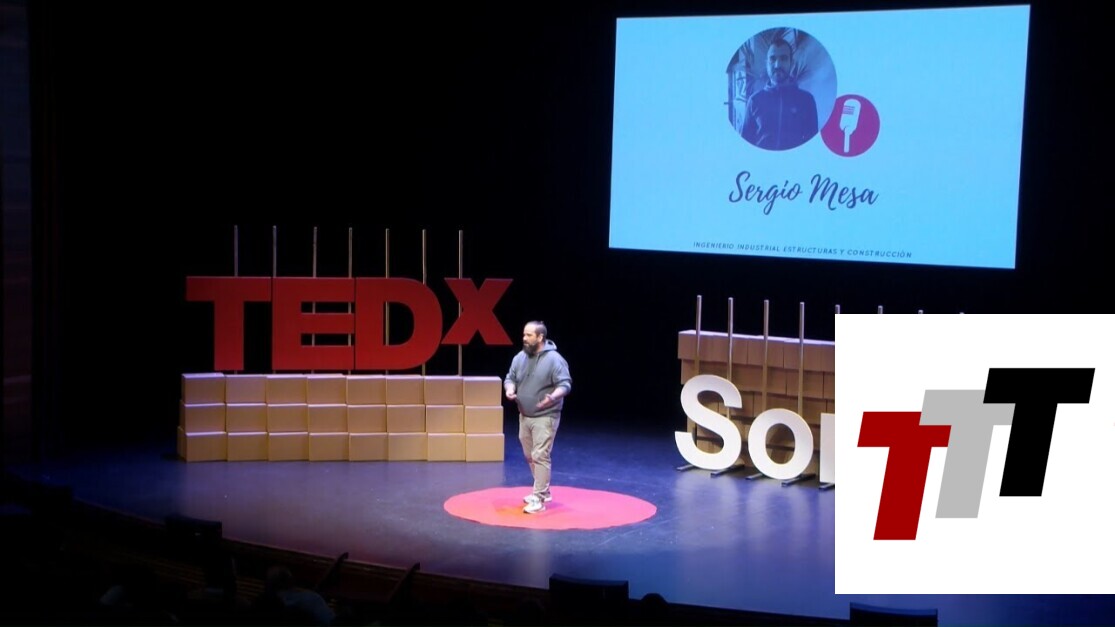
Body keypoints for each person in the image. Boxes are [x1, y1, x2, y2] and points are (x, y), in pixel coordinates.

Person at [504, 321, 572, 514]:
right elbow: (510, 378)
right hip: (525, 415)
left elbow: (565, 384)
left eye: (529, 335)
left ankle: (539, 499)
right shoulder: (520, 357)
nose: (524, 338)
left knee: (540, 455)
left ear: (540, 337)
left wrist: (553, 397)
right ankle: (544, 490)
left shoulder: (554, 359)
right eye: (524, 335)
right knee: (529, 455)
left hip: (546, 415)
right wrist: (510, 389)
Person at [740, 37, 818, 150]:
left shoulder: (807, 100)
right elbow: (745, 145)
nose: (777, 65)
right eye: (772, 59)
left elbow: (812, 147)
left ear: (791, 63)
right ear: (767, 63)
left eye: (783, 58)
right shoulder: (754, 100)